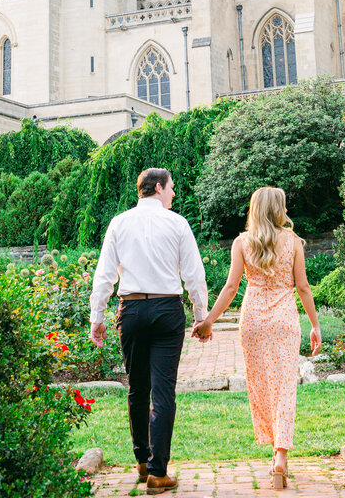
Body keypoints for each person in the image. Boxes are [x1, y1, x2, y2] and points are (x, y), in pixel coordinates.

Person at [191, 187, 321, 490]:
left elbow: (231, 287)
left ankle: (275, 450)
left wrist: (209, 321)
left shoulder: (242, 242)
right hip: (284, 319)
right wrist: (315, 325)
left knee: (262, 384)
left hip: (253, 320)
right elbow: (302, 287)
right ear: (279, 209)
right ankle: (280, 455)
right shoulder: (293, 242)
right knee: (284, 386)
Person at [90, 167, 208, 493]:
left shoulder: (119, 223)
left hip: (130, 309)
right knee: (163, 391)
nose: (174, 194)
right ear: (158, 188)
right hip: (167, 309)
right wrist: (200, 316)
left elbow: (104, 275)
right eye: (171, 188)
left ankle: (142, 462)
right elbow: (194, 275)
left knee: (137, 388)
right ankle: (158, 473)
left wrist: (96, 317)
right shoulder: (177, 223)